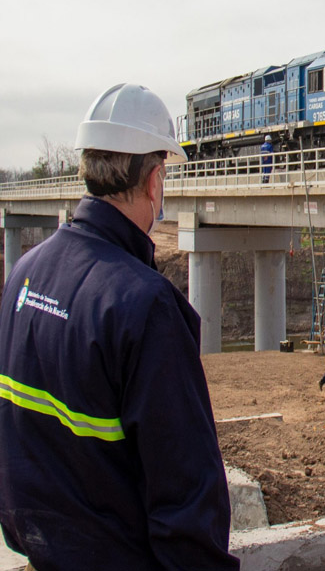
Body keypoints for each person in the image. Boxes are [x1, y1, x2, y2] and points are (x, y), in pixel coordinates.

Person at [0, 83, 239, 570]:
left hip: (41, 548)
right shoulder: (145, 305)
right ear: (154, 181)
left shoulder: (25, 272)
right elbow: (186, 495)